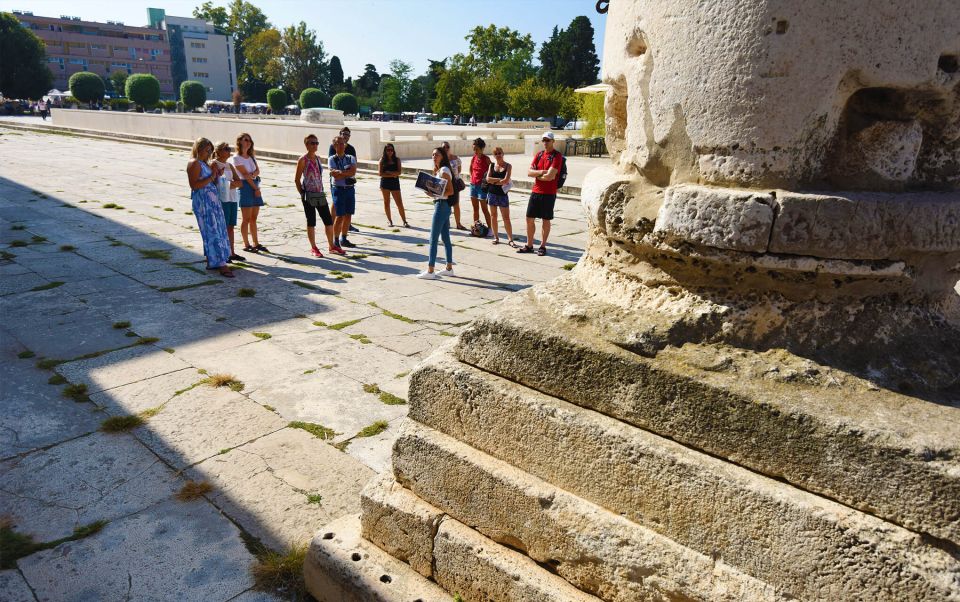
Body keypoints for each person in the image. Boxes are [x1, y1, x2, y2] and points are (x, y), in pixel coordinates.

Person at [186, 138, 233, 278]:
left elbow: (210, 181)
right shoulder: (194, 163)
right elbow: (194, 185)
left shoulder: (204, 164)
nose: (209, 153)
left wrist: (217, 175)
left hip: (213, 202)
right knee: (212, 232)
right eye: (207, 150)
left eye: (210, 150)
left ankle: (212, 260)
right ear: (198, 148)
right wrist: (212, 175)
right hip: (203, 203)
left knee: (217, 229)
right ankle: (221, 264)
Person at [295, 134, 344, 257]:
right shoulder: (303, 160)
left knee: (328, 220)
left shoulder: (318, 158)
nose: (315, 145)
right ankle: (313, 247)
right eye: (312, 143)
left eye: (316, 143)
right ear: (306, 145)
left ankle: (331, 246)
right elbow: (297, 179)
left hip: (319, 193)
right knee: (311, 221)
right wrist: (302, 193)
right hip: (309, 194)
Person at [519, 131, 563, 256]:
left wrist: (537, 174)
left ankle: (543, 246)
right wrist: (542, 172)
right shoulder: (539, 155)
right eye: (543, 140)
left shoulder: (557, 156)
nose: (545, 142)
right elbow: (529, 172)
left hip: (549, 193)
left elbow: (550, 177)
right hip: (536, 191)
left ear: (553, 141)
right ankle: (529, 244)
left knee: (546, 220)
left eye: (548, 140)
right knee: (529, 218)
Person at [417, 146, 455, 279]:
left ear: (443, 156)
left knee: (433, 238)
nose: (434, 157)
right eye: (433, 154)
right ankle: (449, 268)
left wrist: (434, 193)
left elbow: (450, 191)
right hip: (441, 204)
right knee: (445, 238)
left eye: (437, 155)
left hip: (441, 206)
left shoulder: (444, 170)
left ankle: (430, 270)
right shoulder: (439, 170)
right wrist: (432, 193)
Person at [230, 132, 268, 253]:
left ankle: (256, 242)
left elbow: (257, 171)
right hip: (246, 187)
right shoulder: (236, 158)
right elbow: (245, 175)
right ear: (239, 142)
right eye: (245, 140)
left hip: (254, 184)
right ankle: (246, 244)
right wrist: (255, 188)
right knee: (246, 218)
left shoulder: (251, 157)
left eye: (249, 140)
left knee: (254, 218)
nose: (248, 142)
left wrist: (253, 178)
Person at [212, 141, 244, 261]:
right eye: (226, 148)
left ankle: (231, 252)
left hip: (232, 198)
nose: (228, 151)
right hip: (221, 200)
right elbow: (215, 183)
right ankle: (223, 252)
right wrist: (230, 184)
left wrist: (228, 184)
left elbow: (240, 182)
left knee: (231, 226)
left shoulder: (230, 166)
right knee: (223, 226)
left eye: (229, 148)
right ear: (218, 151)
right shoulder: (214, 164)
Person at [327, 127, 359, 232]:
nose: (346, 136)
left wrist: (342, 172)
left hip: (348, 182)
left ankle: (347, 225)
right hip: (336, 183)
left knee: (348, 207)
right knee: (335, 203)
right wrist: (344, 172)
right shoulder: (333, 147)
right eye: (344, 134)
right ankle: (331, 222)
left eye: (348, 134)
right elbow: (333, 167)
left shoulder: (351, 149)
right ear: (340, 134)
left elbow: (353, 168)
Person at [485, 147, 517, 247]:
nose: (498, 155)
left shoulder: (508, 166)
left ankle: (510, 239)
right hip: (492, 193)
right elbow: (487, 179)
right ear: (494, 155)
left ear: (503, 154)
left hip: (502, 194)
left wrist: (494, 181)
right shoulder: (491, 165)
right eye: (496, 153)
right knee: (493, 216)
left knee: (506, 217)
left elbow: (506, 181)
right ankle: (496, 237)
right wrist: (499, 180)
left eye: (500, 153)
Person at [378, 143, 409, 227]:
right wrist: (393, 175)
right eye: (388, 150)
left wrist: (389, 173)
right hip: (385, 184)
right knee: (386, 202)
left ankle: (404, 221)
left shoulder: (397, 160)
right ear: (385, 151)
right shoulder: (382, 160)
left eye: (391, 150)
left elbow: (399, 172)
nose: (390, 152)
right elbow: (380, 174)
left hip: (395, 184)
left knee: (399, 203)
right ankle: (389, 220)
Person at [441, 141, 467, 230]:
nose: (446, 148)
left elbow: (459, 170)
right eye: (444, 147)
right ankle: (446, 223)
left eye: (447, 147)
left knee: (456, 203)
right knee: (446, 204)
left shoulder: (456, 158)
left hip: (455, 183)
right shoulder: (441, 159)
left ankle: (458, 223)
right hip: (445, 183)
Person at [469, 137, 492, 232]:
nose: (475, 151)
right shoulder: (473, 158)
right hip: (473, 185)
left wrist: (486, 182)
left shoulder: (486, 159)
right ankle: (476, 228)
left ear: (482, 148)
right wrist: (472, 178)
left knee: (484, 209)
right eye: (473, 149)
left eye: (476, 149)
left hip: (482, 187)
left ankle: (490, 229)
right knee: (475, 208)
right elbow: (471, 168)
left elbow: (492, 171)